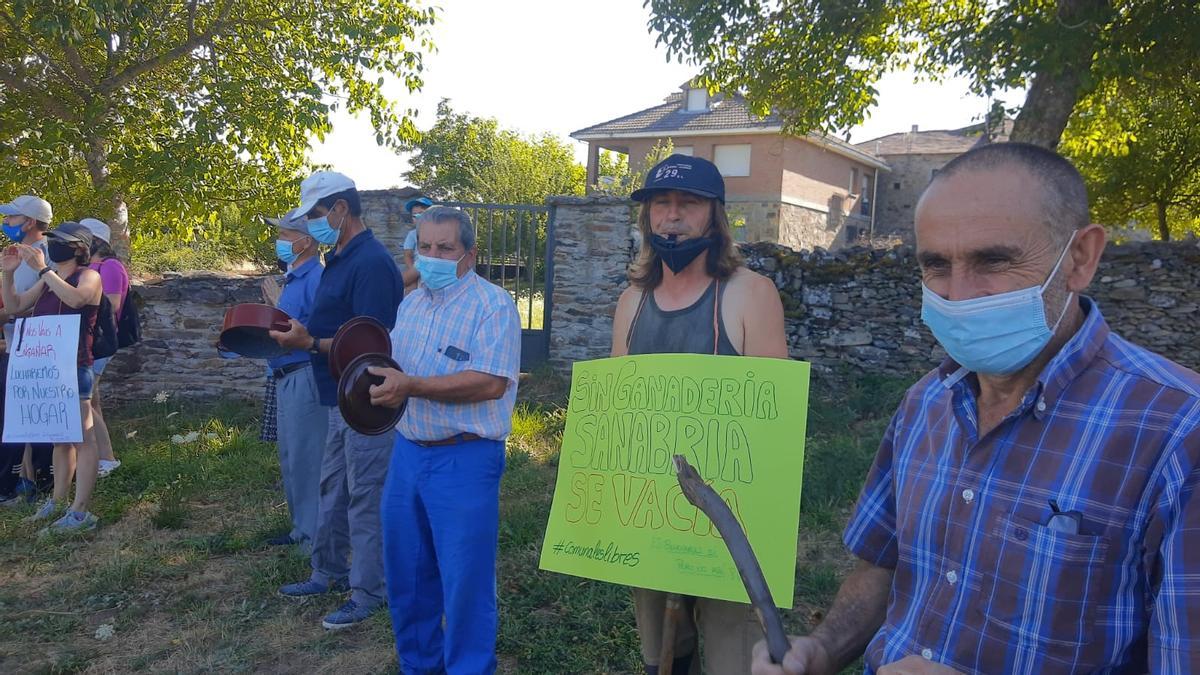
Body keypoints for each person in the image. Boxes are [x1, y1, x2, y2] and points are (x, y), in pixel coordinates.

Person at [751, 143, 1200, 675]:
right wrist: (824, 647)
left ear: (1080, 258)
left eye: (993, 260)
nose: (959, 295)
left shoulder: (1177, 432)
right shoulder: (926, 403)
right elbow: (884, 562)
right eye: (936, 265)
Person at [609, 155, 788, 675]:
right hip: (651, 510)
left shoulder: (751, 295)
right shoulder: (631, 301)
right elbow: (620, 408)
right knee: (661, 653)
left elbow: (768, 418)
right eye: (660, 204)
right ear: (646, 217)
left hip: (732, 513)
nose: (672, 216)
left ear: (715, 215)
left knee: (735, 656)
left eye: (687, 203)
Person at [368, 205, 521, 674]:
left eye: (445, 248)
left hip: (466, 458)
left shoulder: (493, 306)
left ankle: (470, 668)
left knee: (465, 585)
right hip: (409, 454)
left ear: (469, 255)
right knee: (407, 577)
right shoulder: (410, 304)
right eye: (425, 247)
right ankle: (419, 666)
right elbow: (392, 367)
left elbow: (491, 382)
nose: (431, 257)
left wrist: (411, 386)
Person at [270, 171, 404, 630]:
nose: (311, 223)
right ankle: (326, 571)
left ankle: (368, 592)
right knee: (333, 487)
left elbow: (372, 346)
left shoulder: (371, 264)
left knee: (365, 497)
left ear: (341, 209)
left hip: (366, 403)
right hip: (336, 395)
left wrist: (308, 344)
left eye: (316, 213)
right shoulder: (340, 258)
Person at [0, 222, 104, 533]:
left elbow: (76, 300)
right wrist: (8, 274)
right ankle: (58, 502)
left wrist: (45, 271)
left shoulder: (89, 276)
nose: (51, 245)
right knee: (61, 438)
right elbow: (17, 306)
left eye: (59, 241)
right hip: (49, 367)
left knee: (83, 438)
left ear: (78, 248)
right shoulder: (50, 280)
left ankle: (80, 511)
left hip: (75, 365)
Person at [263, 209, 325, 550]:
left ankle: (314, 537)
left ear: (306, 241)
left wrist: (275, 308)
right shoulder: (291, 277)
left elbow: (319, 330)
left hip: (305, 374)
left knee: (308, 458)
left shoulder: (316, 279)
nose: (281, 242)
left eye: (287, 236)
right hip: (284, 374)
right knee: (290, 456)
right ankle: (300, 528)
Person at [0, 195, 54, 506]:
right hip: (14, 346)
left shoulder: (45, 256)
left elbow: (24, 307)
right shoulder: (15, 254)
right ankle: (24, 482)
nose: (6, 224)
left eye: (11, 219)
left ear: (30, 222)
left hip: (34, 349)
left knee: (27, 422)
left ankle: (33, 485)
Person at [77, 217, 129, 479]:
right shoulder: (93, 266)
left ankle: (106, 457)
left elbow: (113, 304)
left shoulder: (110, 267)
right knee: (90, 399)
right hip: (87, 339)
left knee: (85, 399)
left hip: (99, 341)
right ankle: (99, 455)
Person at [401, 196, 432, 294]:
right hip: (417, 268)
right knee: (409, 289)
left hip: (432, 267)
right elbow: (407, 255)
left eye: (421, 214)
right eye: (414, 215)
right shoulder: (412, 234)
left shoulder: (437, 233)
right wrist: (413, 272)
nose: (417, 217)